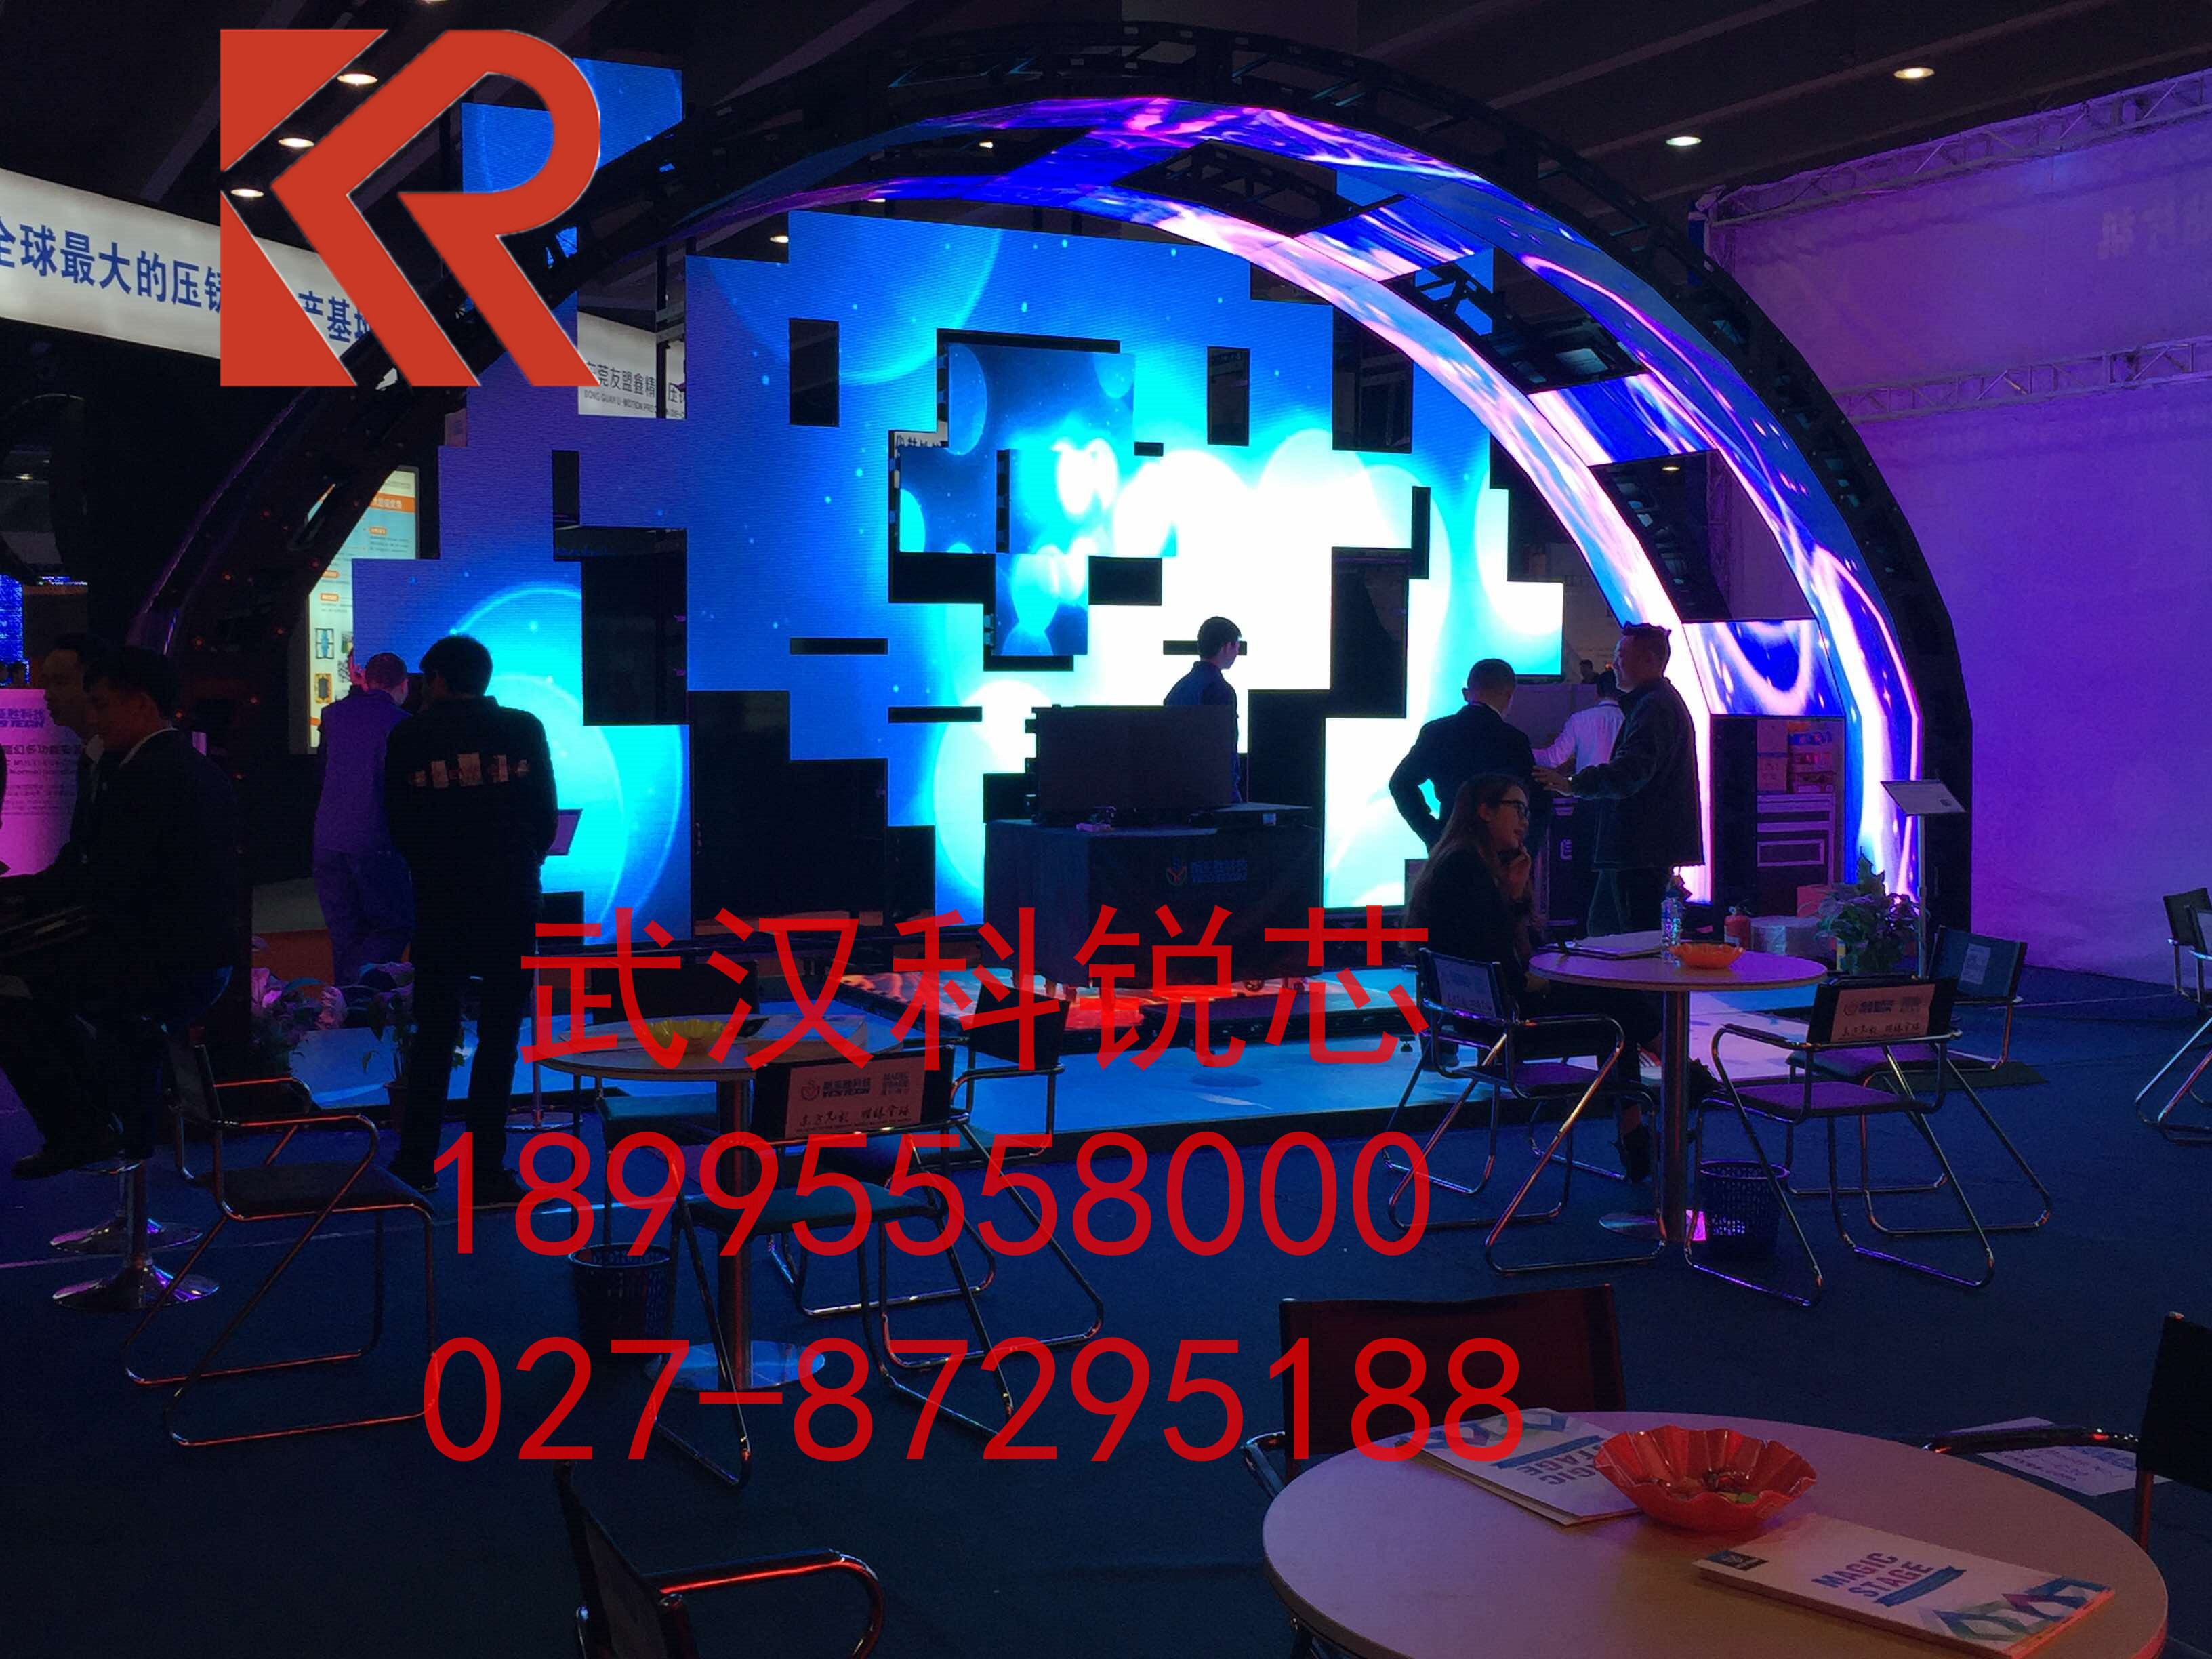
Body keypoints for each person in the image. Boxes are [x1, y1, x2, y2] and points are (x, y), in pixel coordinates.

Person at [1, 647, 241, 1175]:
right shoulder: (161, 767)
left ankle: (87, 1126)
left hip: (163, 960)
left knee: (14, 982)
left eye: (102, 704)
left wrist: (22, 906)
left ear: (142, 704)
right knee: (26, 975)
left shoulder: (150, 775)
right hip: (182, 953)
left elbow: (109, 883)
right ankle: (99, 1121)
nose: (93, 717)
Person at [1404, 773, 1661, 1175]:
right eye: (1517, 810)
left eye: (1527, 811)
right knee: (1620, 1006)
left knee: (1618, 1009)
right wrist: (1536, 964)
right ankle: (1678, 1087)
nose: (1525, 821)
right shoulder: (1469, 872)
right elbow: (1504, 964)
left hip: (1469, 1018)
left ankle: (1641, 1128)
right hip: (1502, 1023)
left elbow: (1501, 953)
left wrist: (1514, 893)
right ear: (1485, 812)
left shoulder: (1457, 863)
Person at [385, 634, 557, 1205]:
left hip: (441, 902)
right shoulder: (524, 728)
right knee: (501, 1036)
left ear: (436, 680)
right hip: (512, 899)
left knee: (434, 1034)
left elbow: (398, 825)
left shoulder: (410, 736)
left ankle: (417, 1163)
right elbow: (545, 817)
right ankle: (487, 1172)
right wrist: (519, 861)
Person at [1535, 622, 1702, 937]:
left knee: (1630, 938)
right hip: (1640, 847)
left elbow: (1631, 771)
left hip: (1638, 847)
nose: (1614, 665)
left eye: (1622, 656)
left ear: (1650, 660)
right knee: (1615, 931)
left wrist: (1572, 784)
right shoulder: (1655, 703)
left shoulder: (1654, 707)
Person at [313, 650, 415, 985]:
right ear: (404, 684)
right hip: (375, 839)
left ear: (365, 681)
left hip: (328, 839)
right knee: (394, 925)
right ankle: (354, 997)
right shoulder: (402, 724)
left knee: (345, 933)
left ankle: (344, 1001)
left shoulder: (332, 715)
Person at [1389, 657, 1549, 851]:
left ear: (1466, 693)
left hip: (1450, 845)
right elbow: (1538, 800)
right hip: (1498, 848)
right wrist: (1524, 848)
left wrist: (1432, 834)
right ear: (1509, 695)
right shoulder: (1514, 740)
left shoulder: (1436, 732)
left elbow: (1400, 783)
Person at [1164, 615, 1242, 802]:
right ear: (1227, 646)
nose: (1237, 653)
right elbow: (1224, 749)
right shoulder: (1220, 689)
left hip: (1178, 791)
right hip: (1213, 795)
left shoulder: (1178, 689)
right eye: (1237, 646)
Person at [1535, 670, 1624, 775]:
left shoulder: (1580, 719)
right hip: (1625, 785)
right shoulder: (1633, 719)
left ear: (1596, 693)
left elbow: (1554, 759)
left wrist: (1523, 750)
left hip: (1587, 784)